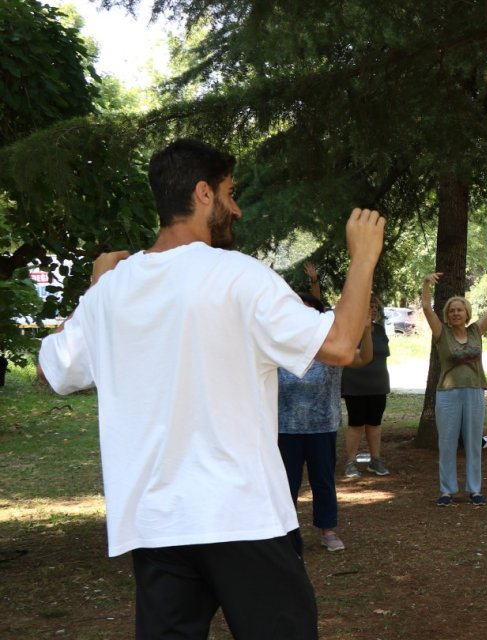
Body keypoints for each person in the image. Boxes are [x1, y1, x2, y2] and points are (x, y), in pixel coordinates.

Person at [38, 138, 384, 638]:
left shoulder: (112, 291)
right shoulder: (239, 276)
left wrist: (95, 288)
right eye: (230, 191)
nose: (236, 206)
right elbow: (340, 346)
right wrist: (363, 259)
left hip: (157, 522)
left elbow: (52, 372)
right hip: (243, 515)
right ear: (203, 194)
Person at [277, 293, 373, 553]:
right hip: (285, 429)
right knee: (286, 484)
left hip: (322, 427)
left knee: (323, 481)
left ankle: (327, 531)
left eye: (309, 312)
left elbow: (364, 358)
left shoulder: (331, 350)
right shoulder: (279, 348)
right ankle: (286, 534)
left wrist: (366, 332)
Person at [422, 262, 487, 507]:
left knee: (473, 443)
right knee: (447, 442)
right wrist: (427, 284)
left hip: (474, 392)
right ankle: (446, 491)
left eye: (460, 310)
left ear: (467, 313)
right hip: (448, 394)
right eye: (452, 311)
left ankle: (474, 490)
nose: (455, 314)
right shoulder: (442, 333)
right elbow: (427, 308)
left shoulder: (475, 331)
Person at [340, 297, 393, 477]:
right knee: (356, 424)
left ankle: (375, 460)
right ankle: (350, 462)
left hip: (378, 385)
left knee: (375, 424)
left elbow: (384, 353)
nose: (373, 309)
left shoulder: (379, 330)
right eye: (369, 306)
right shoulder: (350, 330)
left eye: (375, 307)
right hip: (355, 384)